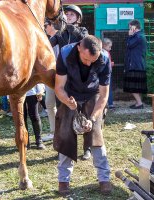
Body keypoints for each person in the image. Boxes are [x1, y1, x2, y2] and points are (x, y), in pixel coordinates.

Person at [54, 35, 112, 196]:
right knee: (65, 136)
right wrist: (67, 101)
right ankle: (63, 180)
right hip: (69, 94)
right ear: (79, 47)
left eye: (93, 60)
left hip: (92, 95)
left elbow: (104, 95)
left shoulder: (104, 59)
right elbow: (58, 87)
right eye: (86, 59)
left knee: (96, 136)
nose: (89, 63)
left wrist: (93, 119)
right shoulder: (65, 54)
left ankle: (104, 178)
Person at [50, 5, 91, 160]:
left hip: (81, 79)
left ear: (78, 18)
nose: (68, 16)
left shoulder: (83, 31)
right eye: (66, 14)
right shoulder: (60, 33)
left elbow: (85, 41)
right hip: (63, 78)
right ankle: (65, 148)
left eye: (72, 14)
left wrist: (70, 27)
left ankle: (87, 148)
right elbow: (48, 44)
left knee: (85, 112)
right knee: (64, 114)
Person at [41, 20, 59, 142]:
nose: (44, 28)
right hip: (51, 77)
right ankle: (54, 131)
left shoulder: (61, 37)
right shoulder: (48, 40)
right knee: (49, 103)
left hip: (62, 77)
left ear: (52, 25)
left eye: (46, 25)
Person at [123, 19, 147, 109]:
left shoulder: (138, 36)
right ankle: (138, 102)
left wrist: (130, 36)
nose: (129, 29)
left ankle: (139, 103)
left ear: (134, 27)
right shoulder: (139, 36)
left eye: (130, 27)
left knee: (133, 85)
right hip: (136, 64)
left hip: (135, 65)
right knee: (136, 85)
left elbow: (129, 45)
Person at [24, 84, 46, 150]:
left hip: (31, 92)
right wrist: (9, 96)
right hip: (17, 93)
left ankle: (39, 141)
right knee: (21, 118)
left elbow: (37, 75)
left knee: (35, 117)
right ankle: (25, 142)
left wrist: (40, 91)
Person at [102, 38, 115, 109]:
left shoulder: (105, 52)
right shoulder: (104, 53)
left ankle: (108, 103)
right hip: (106, 73)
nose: (110, 48)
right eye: (109, 47)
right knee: (108, 89)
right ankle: (110, 104)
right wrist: (110, 64)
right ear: (104, 45)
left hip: (106, 73)